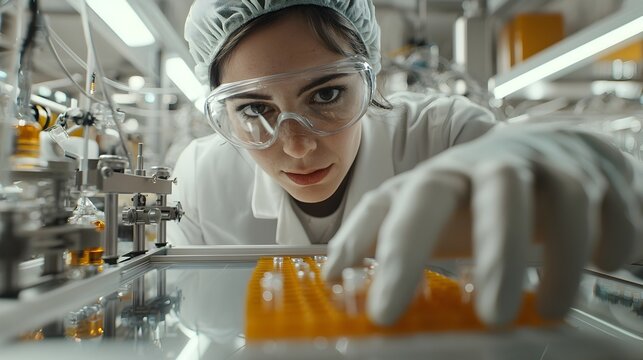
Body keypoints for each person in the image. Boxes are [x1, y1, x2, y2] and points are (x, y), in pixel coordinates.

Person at [168, 0, 643, 327]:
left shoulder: (442, 138)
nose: (295, 146)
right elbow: (193, 323)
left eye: (327, 94)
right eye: (254, 110)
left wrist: (600, 174)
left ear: (372, 85)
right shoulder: (204, 180)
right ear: (220, 113)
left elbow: (605, 218)